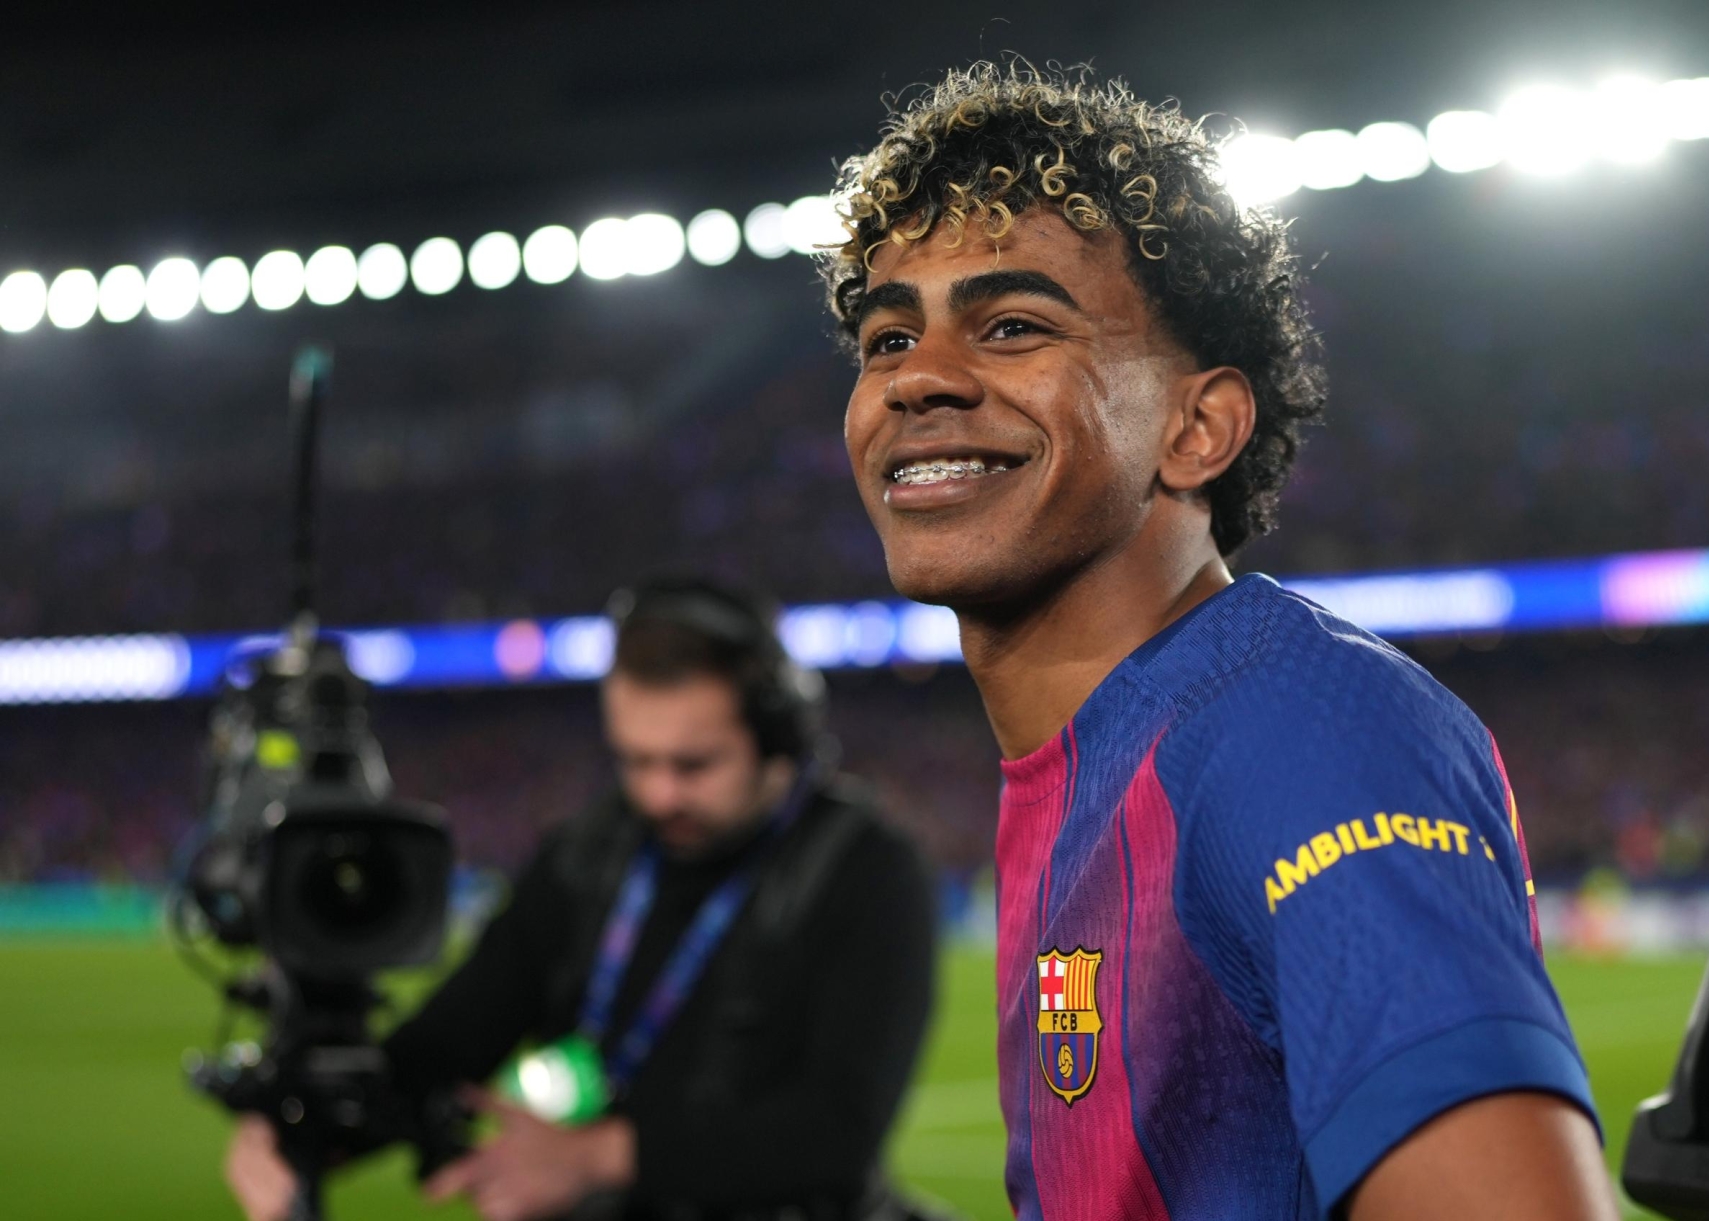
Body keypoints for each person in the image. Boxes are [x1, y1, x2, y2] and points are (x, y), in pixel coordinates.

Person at [820, 65, 1618, 1219]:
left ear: (1197, 429)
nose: (921, 379)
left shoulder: (1295, 737)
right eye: (887, 337)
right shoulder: (1090, 753)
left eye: (1011, 325)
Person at [224, 577, 938, 1221]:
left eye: (694, 764)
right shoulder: (587, 853)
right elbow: (447, 1044)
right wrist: (301, 1129)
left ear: (779, 736)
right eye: (636, 760)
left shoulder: (870, 871)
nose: (660, 793)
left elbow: (835, 1129)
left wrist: (595, 1157)